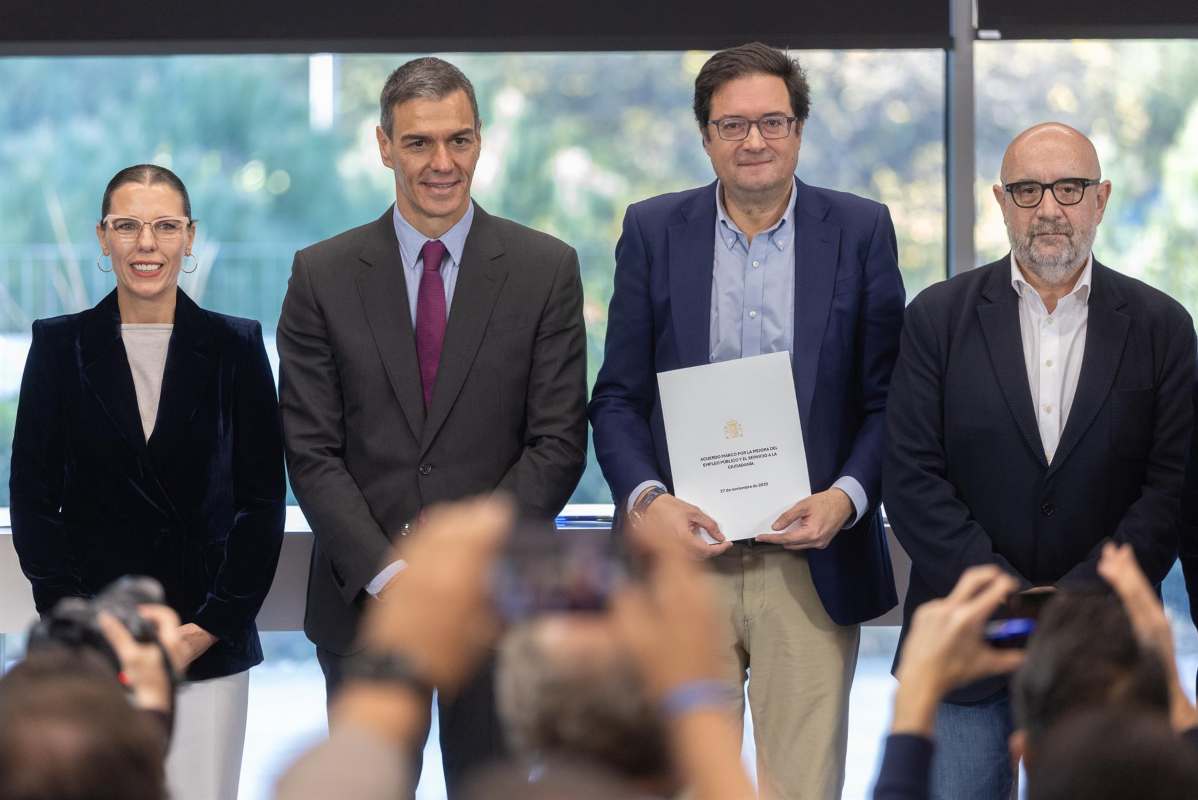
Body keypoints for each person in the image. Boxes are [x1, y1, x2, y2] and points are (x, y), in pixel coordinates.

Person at [588, 41, 905, 799]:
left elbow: (890, 399)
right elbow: (618, 397)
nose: (754, 140)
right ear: (705, 137)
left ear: (799, 129)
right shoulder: (653, 231)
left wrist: (847, 497)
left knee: (802, 786)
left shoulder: (860, 230)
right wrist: (647, 501)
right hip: (683, 563)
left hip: (812, 564)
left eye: (772, 121)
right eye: (732, 126)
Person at [276, 56, 588, 794]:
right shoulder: (320, 274)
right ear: (384, 145)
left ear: (481, 142)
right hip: (364, 612)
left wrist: (462, 566)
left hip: (498, 608)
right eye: (418, 143)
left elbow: (558, 441)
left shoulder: (546, 269)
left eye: (459, 141)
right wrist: (392, 574)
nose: (441, 163)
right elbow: (310, 448)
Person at [883, 121, 1196, 799]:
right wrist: (1007, 592)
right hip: (966, 642)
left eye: (1069, 187)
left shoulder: (1163, 327)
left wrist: (1075, 601)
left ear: (1101, 198)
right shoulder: (936, 318)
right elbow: (909, 477)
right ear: (1000, 201)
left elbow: (1170, 489)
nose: (1048, 207)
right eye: (1027, 190)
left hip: (1105, 655)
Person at [8, 164, 286, 800]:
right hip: (93, 655)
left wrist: (206, 628)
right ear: (101, 238)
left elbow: (263, 503)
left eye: (164, 226)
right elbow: (33, 501)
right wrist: (88, 627)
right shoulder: (58, 346)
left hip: (207, 645)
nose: (146, 244)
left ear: (190, 237)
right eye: (127, 226)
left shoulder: (237, 346)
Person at [275, 495, 755, 800]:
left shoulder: (498, 788)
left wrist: (392, 673)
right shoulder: (694, 723)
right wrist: (696, 701)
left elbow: (324, 786)